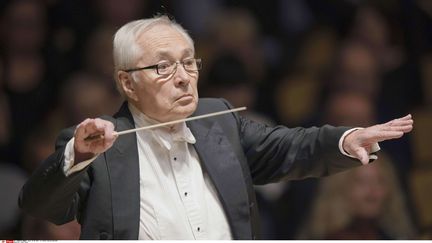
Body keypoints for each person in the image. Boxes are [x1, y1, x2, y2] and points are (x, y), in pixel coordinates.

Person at [18, 15, 414, 240]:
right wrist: (80, 157)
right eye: (162, 66)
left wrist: (346, 139)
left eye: (189, 62)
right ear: (126, 82)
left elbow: (290, 147)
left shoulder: (220, 120)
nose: (183, 77)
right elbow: (41, 206)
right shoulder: (93, 143)